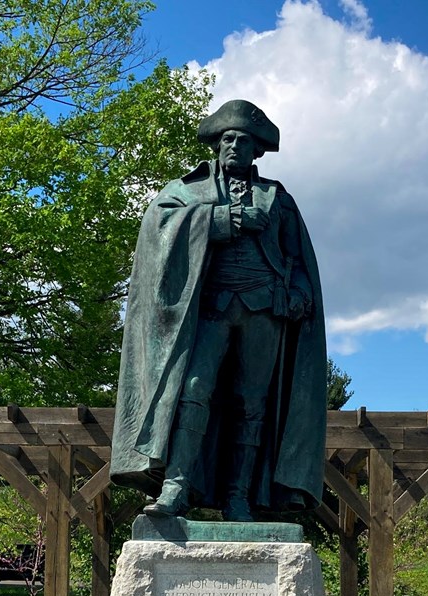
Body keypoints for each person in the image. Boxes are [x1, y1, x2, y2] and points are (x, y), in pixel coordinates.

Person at [111, 99, 327, 520]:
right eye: (227, 138)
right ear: (216, 145)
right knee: (193, 391)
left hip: (265, 311)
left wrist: (299, 292)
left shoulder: (278, 199)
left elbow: (298, 259)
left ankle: (239, 498)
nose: (234, 146)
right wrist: (220, 221)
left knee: (252, 403)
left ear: (256, 150)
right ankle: (176, 486)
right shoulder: (186, 192)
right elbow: (159, 229)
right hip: (210, 308)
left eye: (243, 140)